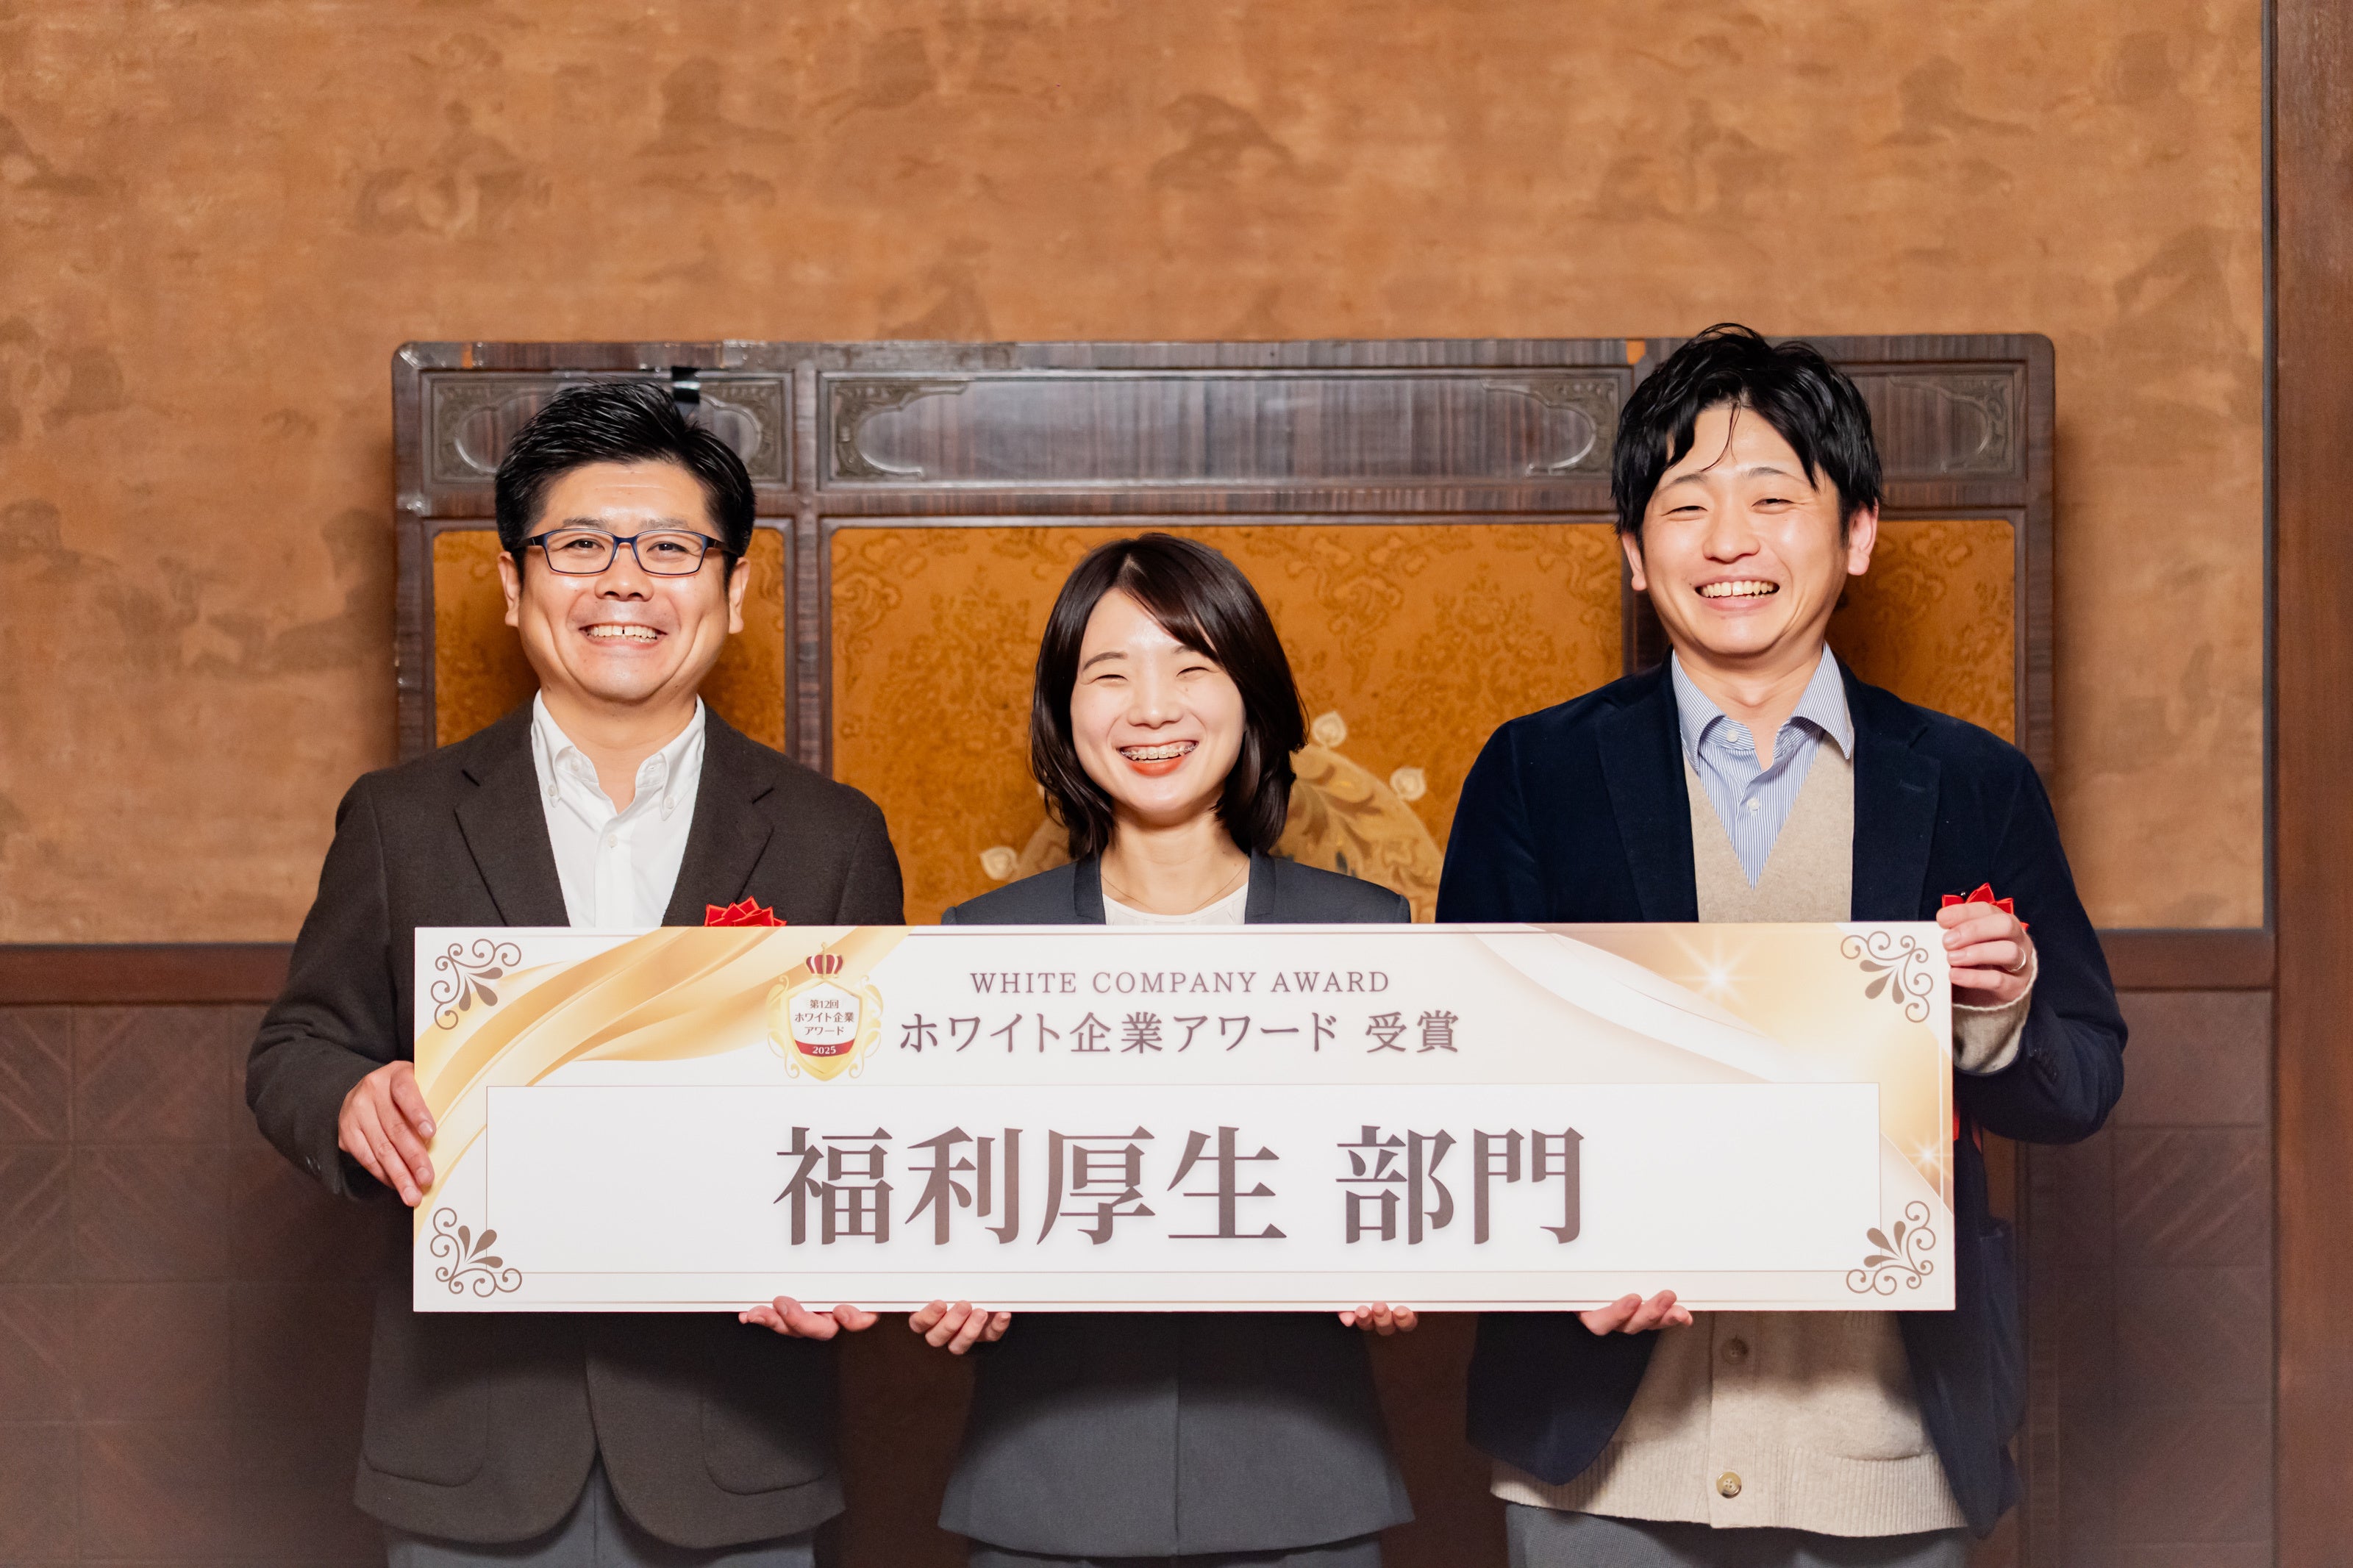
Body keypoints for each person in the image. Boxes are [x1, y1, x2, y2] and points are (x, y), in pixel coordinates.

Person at [1438, 326, 2127, 1568]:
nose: (1729, 540)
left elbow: (2081, 1084)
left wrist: (1999, 1012)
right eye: (1685, 505)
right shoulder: (1537, 772)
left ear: (1856, 533)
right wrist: (1552, 1258)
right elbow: (1462, 1079)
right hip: (1602, 1457)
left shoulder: (1973, 783)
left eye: (1772, 498)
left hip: (1887, 1449)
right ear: (1634, 554)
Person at [245, 382, 904, 1567]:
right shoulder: (401, 821)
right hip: (472, 1443)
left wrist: (849, 1253)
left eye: (670, 548)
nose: (625, 582)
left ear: (734, 589)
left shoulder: (830, 836)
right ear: (514, 582)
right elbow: (297, 1047)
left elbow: (881, 1111)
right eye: (581, 545)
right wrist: (349, 1098)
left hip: (735, 1450)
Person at [907, 533, 1417, 1567]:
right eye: (1110, 674)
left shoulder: (1366, 933)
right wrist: (934, 1266)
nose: (1151, 708)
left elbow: (1416, 1172)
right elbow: (936, 1186)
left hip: (1303, 1489)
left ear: (1251, 695)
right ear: (1064, 712)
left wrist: (1413, 1254)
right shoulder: (982, 942)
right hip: (1046, 1489)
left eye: (1191, 667)